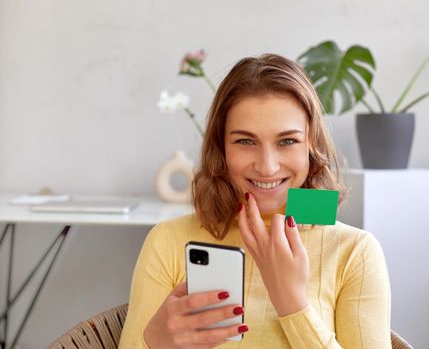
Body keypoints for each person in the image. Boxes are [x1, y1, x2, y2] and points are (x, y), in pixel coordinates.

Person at [119, 54, 391, 348]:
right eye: (245, 141)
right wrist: (155, 341)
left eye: (287, 141)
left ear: (311, 148)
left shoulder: (356, 252)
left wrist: (292, 304)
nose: (267, 167)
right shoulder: (168, 241)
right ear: (221, 150)